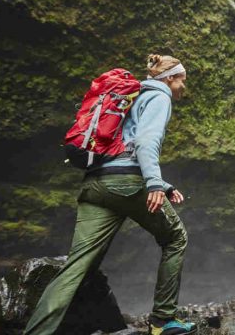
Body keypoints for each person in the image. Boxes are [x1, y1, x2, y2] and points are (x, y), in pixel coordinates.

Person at [24, 54, 196, 335]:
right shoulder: (159, 97)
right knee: (175, 238)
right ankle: (162, 321)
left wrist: (162, 184)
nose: (182, 88)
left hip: (96, 184)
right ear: (170, 78)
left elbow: (120, 147)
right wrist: (153, 183)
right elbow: (144, 141)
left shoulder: (127, 97)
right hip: (128, 183)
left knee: (77, 266)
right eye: (182, 81)